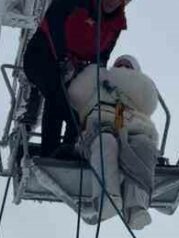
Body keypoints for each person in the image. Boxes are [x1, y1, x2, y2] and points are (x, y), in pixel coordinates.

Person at [21, 0, 129, 157]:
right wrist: (62, 56)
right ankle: (50, 151)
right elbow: (54, 24)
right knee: (58, 96)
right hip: (43, 56)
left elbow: (103, 55)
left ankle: (70, 149)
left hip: (72, 67)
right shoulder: (76, 3)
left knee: (82, 105)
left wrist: (99, 77)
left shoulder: (115, 26)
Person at [67, 54, 160, 229]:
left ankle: (136, 207)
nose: (123, 68)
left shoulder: (139, 96)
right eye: (120, 64)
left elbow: (149, 104)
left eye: (127, 66)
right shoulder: (99, 81)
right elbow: (75, 95)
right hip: (99, 127)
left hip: (131, 128)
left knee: (142, 147)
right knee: (106, 141)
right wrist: (93, 73)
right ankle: (107, 198)